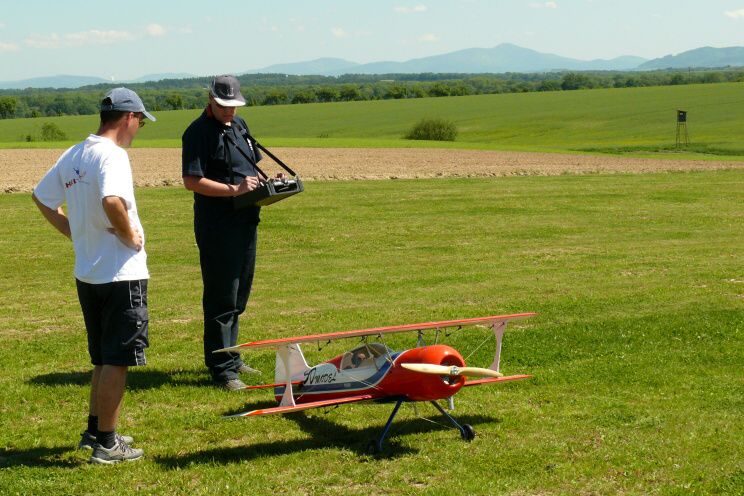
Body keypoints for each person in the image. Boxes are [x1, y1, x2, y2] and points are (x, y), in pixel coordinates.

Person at [32, 87, 155, 464]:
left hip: (88, 272)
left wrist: (73, 230)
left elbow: (41, 196)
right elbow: (112, 201)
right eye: (140, 122)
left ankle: (93, 430)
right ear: (129, 118)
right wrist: (127, 233)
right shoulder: (112, 155)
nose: (138, 130)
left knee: (103, 357)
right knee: (117, 360)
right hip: (120, 273)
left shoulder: (75, 153)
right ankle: (107, 443)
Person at [182, 75, 273, 390]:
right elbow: (192, 181)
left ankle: (232, 357)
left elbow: (251, 166)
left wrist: (264, 184)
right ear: (210, 99)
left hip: (247, 221)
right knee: (222, 297)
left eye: (234, 105)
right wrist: (234, 189)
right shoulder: (197, 133)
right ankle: (222, 370)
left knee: (239, 296)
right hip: (217, 226)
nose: (229, 111)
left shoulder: (240, 125)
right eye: (224, 106)